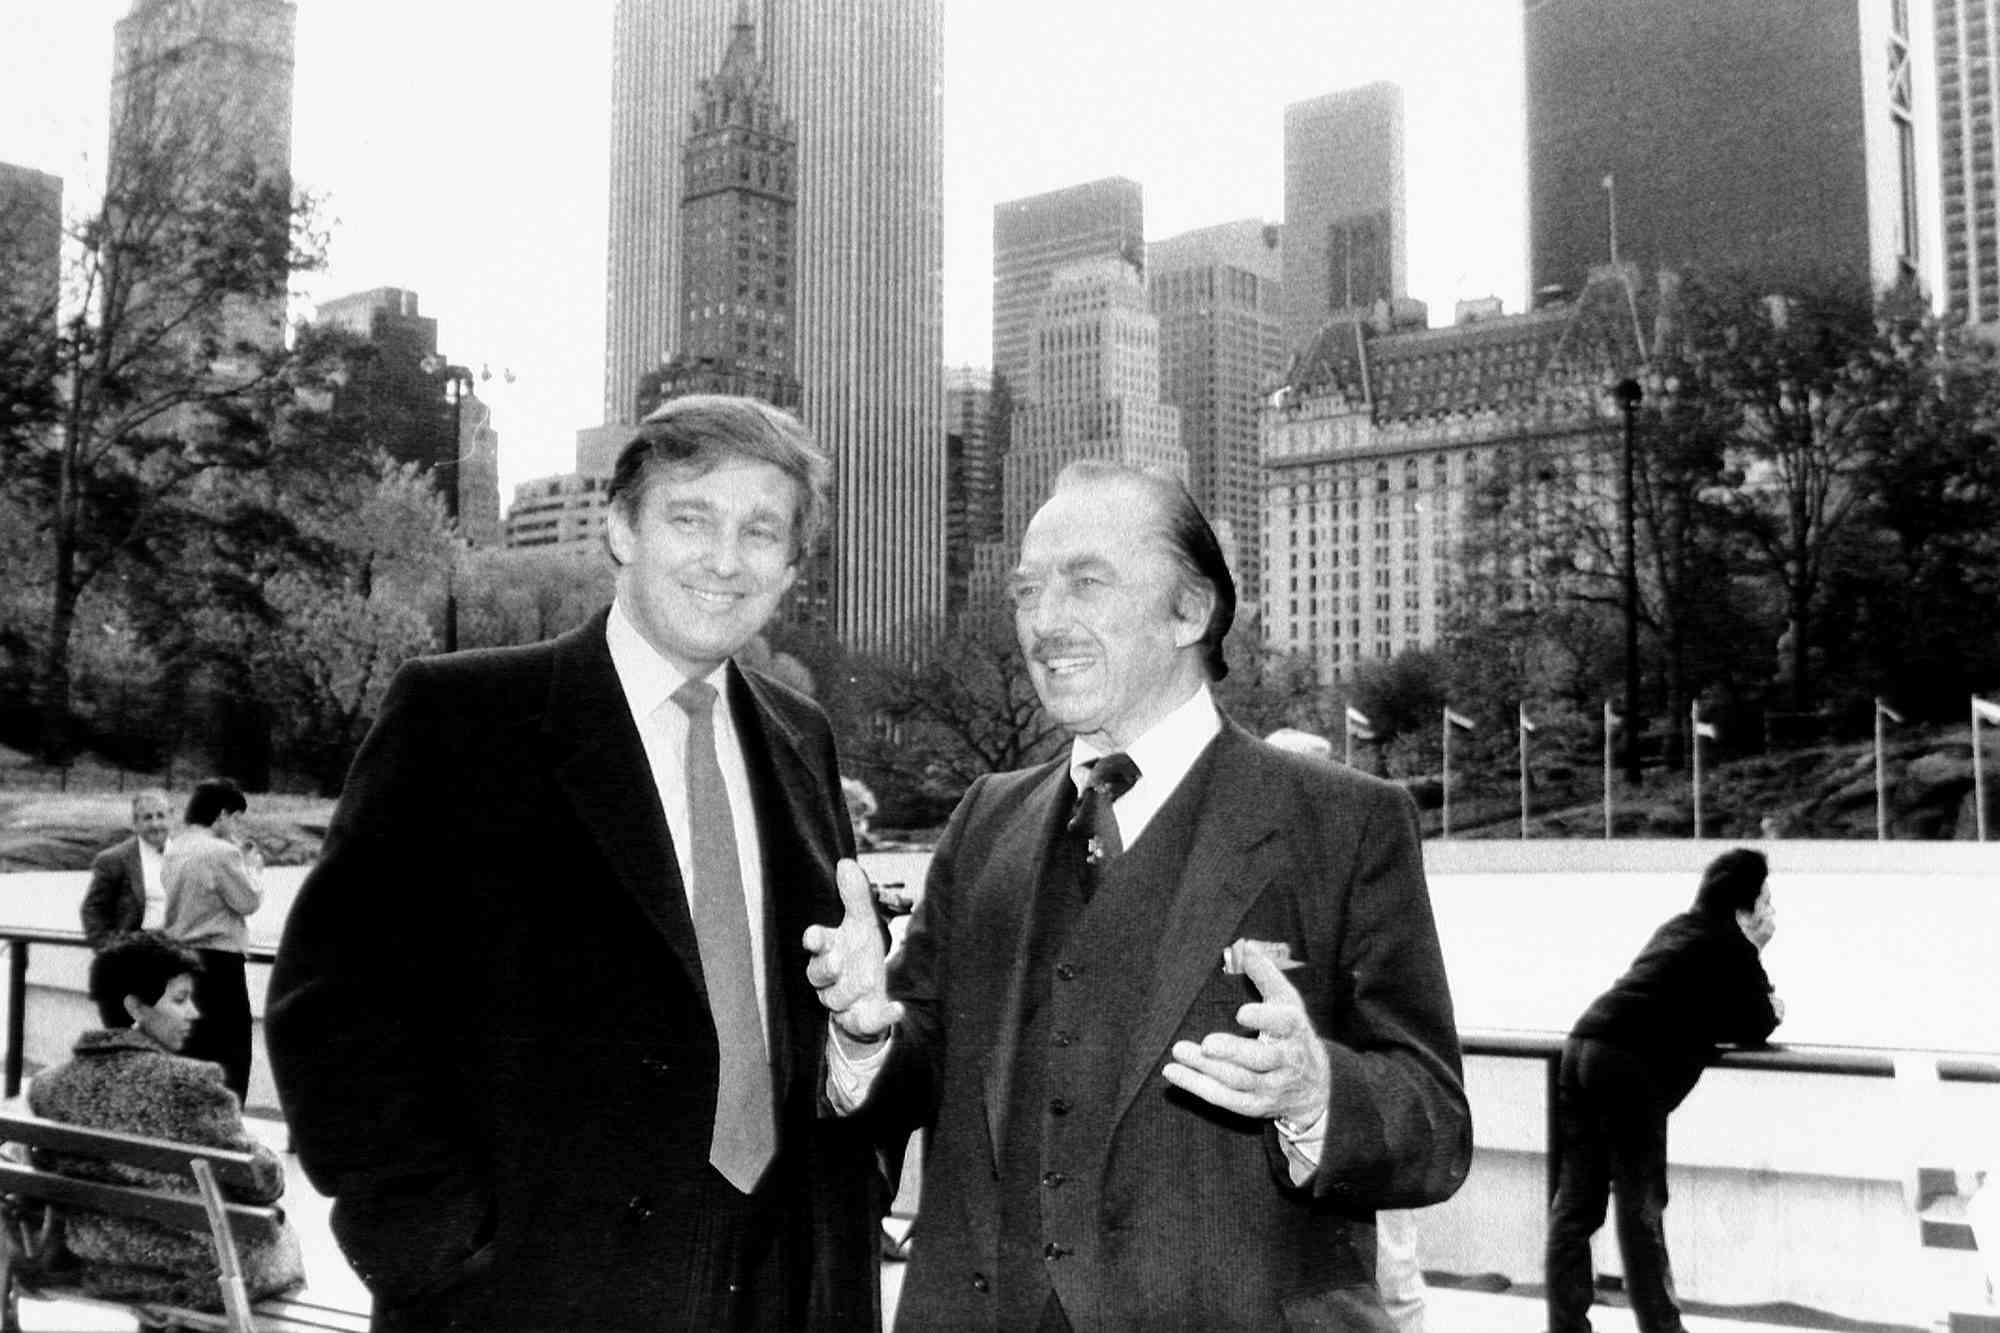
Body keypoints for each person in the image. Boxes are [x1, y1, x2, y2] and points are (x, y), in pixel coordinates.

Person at [266, 395, 884, 1332]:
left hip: (774, 1285)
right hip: (533, 1292)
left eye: (762, 531)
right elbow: (332, 1013)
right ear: (622, 527)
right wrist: (443, 1253)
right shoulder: (464, 719)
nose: (726, 559)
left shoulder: (804, 737)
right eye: (692, 517)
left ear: (793, 566)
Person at [809, 460, 1472, 1330]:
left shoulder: (1346, 823)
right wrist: (862, 1036)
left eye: (1087, 582)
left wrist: (1315, 1094)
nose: (1045, 622)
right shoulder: (985, 820)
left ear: (1190, 610)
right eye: (1027, 591)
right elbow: (923, 1063)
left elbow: (1434, 1120)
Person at [1545, 847, 1783, 1333]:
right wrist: (1757, 959)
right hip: (1628, 1067)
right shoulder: (1730, 946)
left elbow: (1692, 999)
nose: (1772, 915)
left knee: (1576, 1205)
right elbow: (1757, 1021)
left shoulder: (1677, 927)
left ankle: (1567, 1327)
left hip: (1582, 1047)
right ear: (1744, 911)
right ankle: (1662, 1328)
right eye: (1767, 903)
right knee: (1642, 1205)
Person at [27, 931, 303, 1311]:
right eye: (180, 999)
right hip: (197, 1272)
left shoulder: (47, 1086)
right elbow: (262, 1182)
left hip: (97, 1261)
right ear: (136, 1008)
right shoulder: (191, 1082)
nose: (194, 1012)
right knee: (279, 1236)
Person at [1260, 728, 1431, 1333]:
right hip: (1285, 1145)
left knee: (1394, 1274)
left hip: (1352, 1116)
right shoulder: (1252, 889)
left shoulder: (1365, 885)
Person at [161, 778, 263, 1103]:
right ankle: (225, 1133)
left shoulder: (174, 847)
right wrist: (253, 867)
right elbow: (247, 901)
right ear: (221, 815)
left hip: (178, 957)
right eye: (235, 818)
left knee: (188, 1047)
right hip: (219, 962)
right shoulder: (223, 852)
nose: (236, 826)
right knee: (230, 1053)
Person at [80, 791, 174, 1014]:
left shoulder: (188, 857)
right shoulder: (113, 860)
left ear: (172, 817)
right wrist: (112, 949)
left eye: (161, 815)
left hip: (174, 966)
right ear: (135, 823)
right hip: (126, 968)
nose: (155, 824)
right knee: (123, 1042)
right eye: (147, 817)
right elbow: (92, 911)